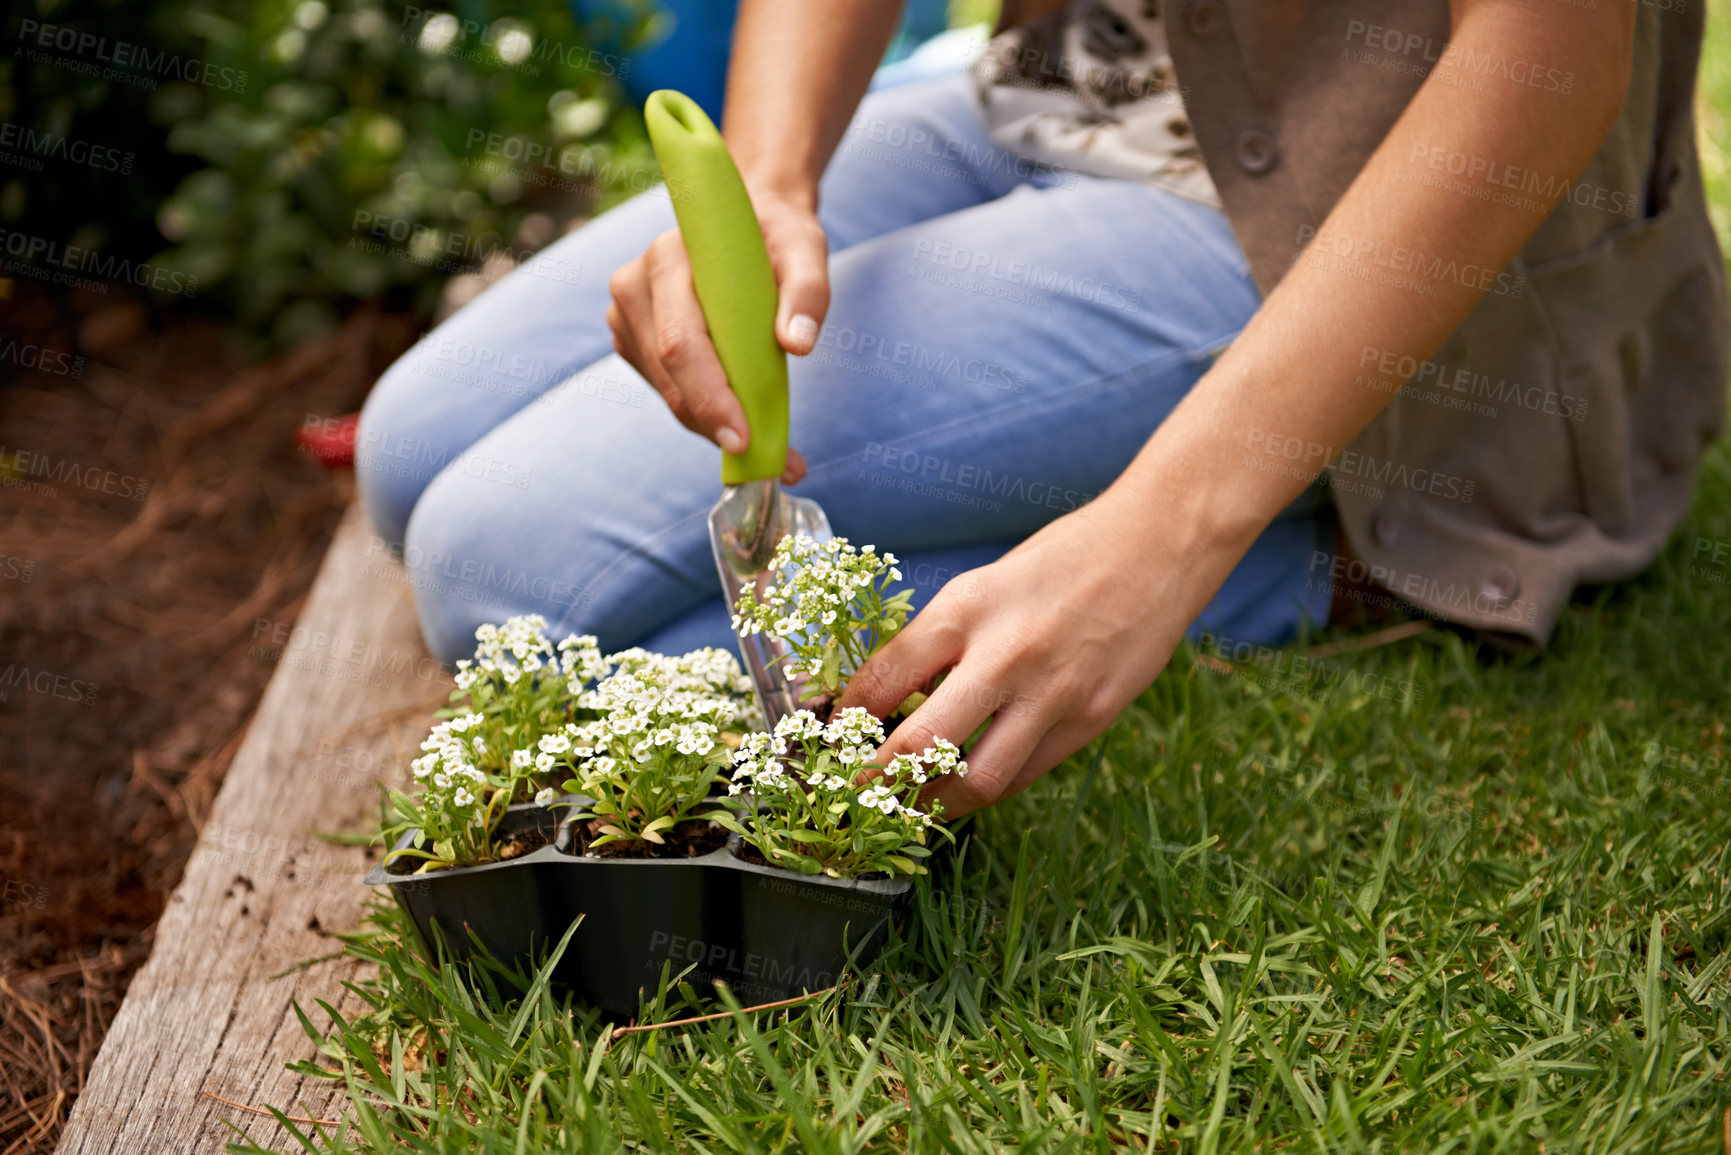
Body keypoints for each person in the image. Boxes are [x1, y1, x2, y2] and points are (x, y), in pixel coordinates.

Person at [357, 0, 1726, 818]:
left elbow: (1553, 51)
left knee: (503, 568)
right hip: (1058, 82)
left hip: (1341, 197)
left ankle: (1370, 539)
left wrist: (1157, 542)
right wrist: (773, 182)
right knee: (412, 451)